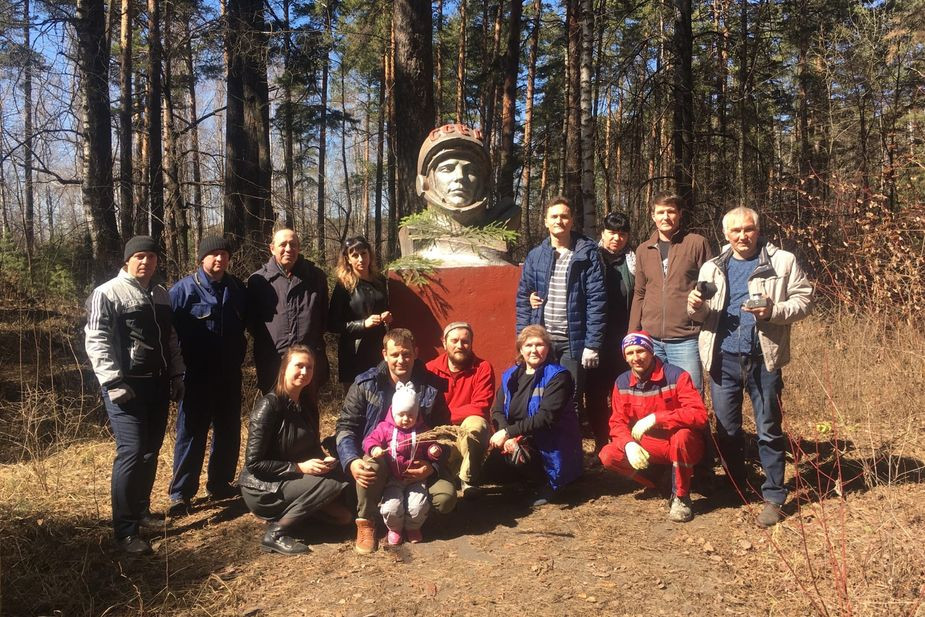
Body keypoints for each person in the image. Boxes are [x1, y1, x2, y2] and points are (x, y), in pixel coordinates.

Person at [687, 206, 814, 527]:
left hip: (763, 359)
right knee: (727, 429)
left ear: (758, 230)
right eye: (735, 231)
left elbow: (804, 301)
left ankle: (774, 496)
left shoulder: (782, 262)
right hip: (722, 358)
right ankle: (736, 486)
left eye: (748, 229)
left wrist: (772, 311)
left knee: (768, 428)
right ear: (725, 234)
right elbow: (702, 316)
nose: (742, 236)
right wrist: (695, 306)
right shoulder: (713, 267)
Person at [84, 235, 185, 555]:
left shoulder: (161, 294)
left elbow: (170, 338)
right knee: (132, 451)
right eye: (139, 256)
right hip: (126, 387)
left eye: (151, 257)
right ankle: (125, 531)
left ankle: (141, 511)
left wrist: (177, 374)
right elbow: (96, 339)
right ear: (127, 260)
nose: (146, 262)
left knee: (150, 450)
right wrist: (113, 381)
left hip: (158, 384)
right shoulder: (108, 292)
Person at [335, 328, 455, 554]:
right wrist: (351, 460)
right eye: (395, 354)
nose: (401, 360)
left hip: (417, 462)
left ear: (416, 353)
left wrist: (433, 465)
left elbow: (445, 434)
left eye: (407, 354)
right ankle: (367, 521)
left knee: (445, 497)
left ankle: (412, 518)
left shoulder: (430, 386)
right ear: (385, 354)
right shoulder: (365, 384)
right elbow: (345, 428)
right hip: (380, 460)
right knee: (369, 465)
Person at [238, 345, 351, 555]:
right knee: (332, 484)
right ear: (284, 368)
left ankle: (292, 519)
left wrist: (324, 460)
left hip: (292, 479)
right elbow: (254, 464)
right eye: (299, 366)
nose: (304, 372)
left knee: (344, 517)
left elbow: (310, 447)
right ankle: (276, 533)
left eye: (309, 367)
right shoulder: (268, 406)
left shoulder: (306, 405)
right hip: (264, 486)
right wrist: (299, 467)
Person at [167, 236, 247, 515]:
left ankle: (220, 483)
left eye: (224, 254)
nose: (220, 259)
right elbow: (167, 333)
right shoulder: (183, 290)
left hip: (229, 374)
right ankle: (181, 494)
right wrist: (173, 373)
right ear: (202, 258)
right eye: (213, 254)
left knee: (228, 430)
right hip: (196, 376)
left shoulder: (236, 288)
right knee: (191, 433)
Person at [598, 332, 708, 523]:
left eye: (641, 351)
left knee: (682, 437)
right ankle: (659, 482)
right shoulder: (622, 382)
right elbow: (617, 423)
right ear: (625, 357)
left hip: (678, 443)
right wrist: (628, 444)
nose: (636, 357)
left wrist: (658, 418)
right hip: (647, 444)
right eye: (630, 353)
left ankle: (681, 497)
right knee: (608, 455)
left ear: (651, 351)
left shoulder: (676, 375)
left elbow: (699, 415)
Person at [515, 196, 607, 406]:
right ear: (546, 221)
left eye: (564, 216)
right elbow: (523, 299)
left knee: (570, 399)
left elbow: (597, 300)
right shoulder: (536, 256)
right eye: (554, 216)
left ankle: (571, 429)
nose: (559, 221)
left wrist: (592, 344)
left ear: (572, 221)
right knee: (538, 396)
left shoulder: (586, 254)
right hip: (542, 340)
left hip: (572, 341)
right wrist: (522, 339)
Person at [489, 325, 583, 506]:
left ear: (548, 348)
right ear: (520, 350)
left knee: (522, 456)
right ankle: (526, 480)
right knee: (492, 473)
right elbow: (498, 410)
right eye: (528, 345)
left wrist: (508, 433)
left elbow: (546, 417)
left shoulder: (558, 376)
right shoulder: (510, 376)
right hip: (518, 436)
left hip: (551, 440)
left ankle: (547, 483)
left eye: (539, 344)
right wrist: (507, 434)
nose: (534, 350)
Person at [629, 193, 712, 391]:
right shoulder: (643, 250)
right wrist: (632, 334)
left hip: (685, 338)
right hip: (650, 340)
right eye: (660, 212)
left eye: (671, 211)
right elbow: (639, 293)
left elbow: (711, 285)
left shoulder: (696, 243)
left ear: (680, 214)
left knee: (689, 394)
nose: (665, 217)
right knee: (653, 395)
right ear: (653, 216)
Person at [248, 228, 329, 397]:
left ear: (299, 248)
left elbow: (323, 318)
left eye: (293, 244)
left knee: (307, 410)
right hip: (272, 363)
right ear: (272, 248)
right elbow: (252, 324)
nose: (288, 249)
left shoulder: (316, 277)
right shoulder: (258, 281)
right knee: (273, 410)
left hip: (307, 364)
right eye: (283, 244)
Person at [362, 383, 443, 545]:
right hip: (393, 478)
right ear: (393, 412)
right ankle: (395, 528)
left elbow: (431, 445)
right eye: (401, 414)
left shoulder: (422, 431)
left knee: (418, 505)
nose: (406, 419)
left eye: (410, 415)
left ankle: (413, 527)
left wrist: (434, 451)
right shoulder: (385, 428)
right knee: (391, 507)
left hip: (416, 479)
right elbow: (369, 440)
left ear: (417, 413)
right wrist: (374, 448)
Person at [584, 211, 636, 451]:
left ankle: (622, 440)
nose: (617, 238)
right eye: (612, 232)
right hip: (595, 338)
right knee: (595, 392)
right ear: (602, 233)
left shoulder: (633, 262)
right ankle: (601, 441)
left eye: (622, 233)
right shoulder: (589, 258)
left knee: (622, 392)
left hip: (624, 338)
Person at [426, 321, 495, 497]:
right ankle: (448, 477)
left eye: (465, 341)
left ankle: (468, 480)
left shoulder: (482, 368)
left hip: (465, 427)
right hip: (441, 429)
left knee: (477, 424)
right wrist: (443, 424)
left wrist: (446, 416)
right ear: (444, 343)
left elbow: (480, 407)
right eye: (454, 341)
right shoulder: (431, 369)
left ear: (471, 343)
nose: (459, 346)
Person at [328, 235, 392, 385]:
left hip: (378, 346)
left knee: (380, 391)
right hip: (354, 351)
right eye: (355, 255)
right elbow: (332, 324)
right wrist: (363, 324)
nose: (361, 259)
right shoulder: (343, 285)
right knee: (356, 394)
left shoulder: (380, 281)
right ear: (348, 259)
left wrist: (387, 316)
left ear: (370, 254)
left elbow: (384, 306)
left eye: (364, 253)